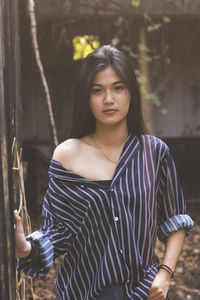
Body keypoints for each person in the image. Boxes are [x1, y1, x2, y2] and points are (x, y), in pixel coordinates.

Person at [14, 45, 194, 300]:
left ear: (131, 93)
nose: (108, 99)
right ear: (86, 98)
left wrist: (164, 275)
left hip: (143, 293)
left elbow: (175, 218)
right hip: (85, 293)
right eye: (97, 90)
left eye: (117, 88)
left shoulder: (154, 153)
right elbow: (58, 231)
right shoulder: (67, 155)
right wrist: (24, 247)